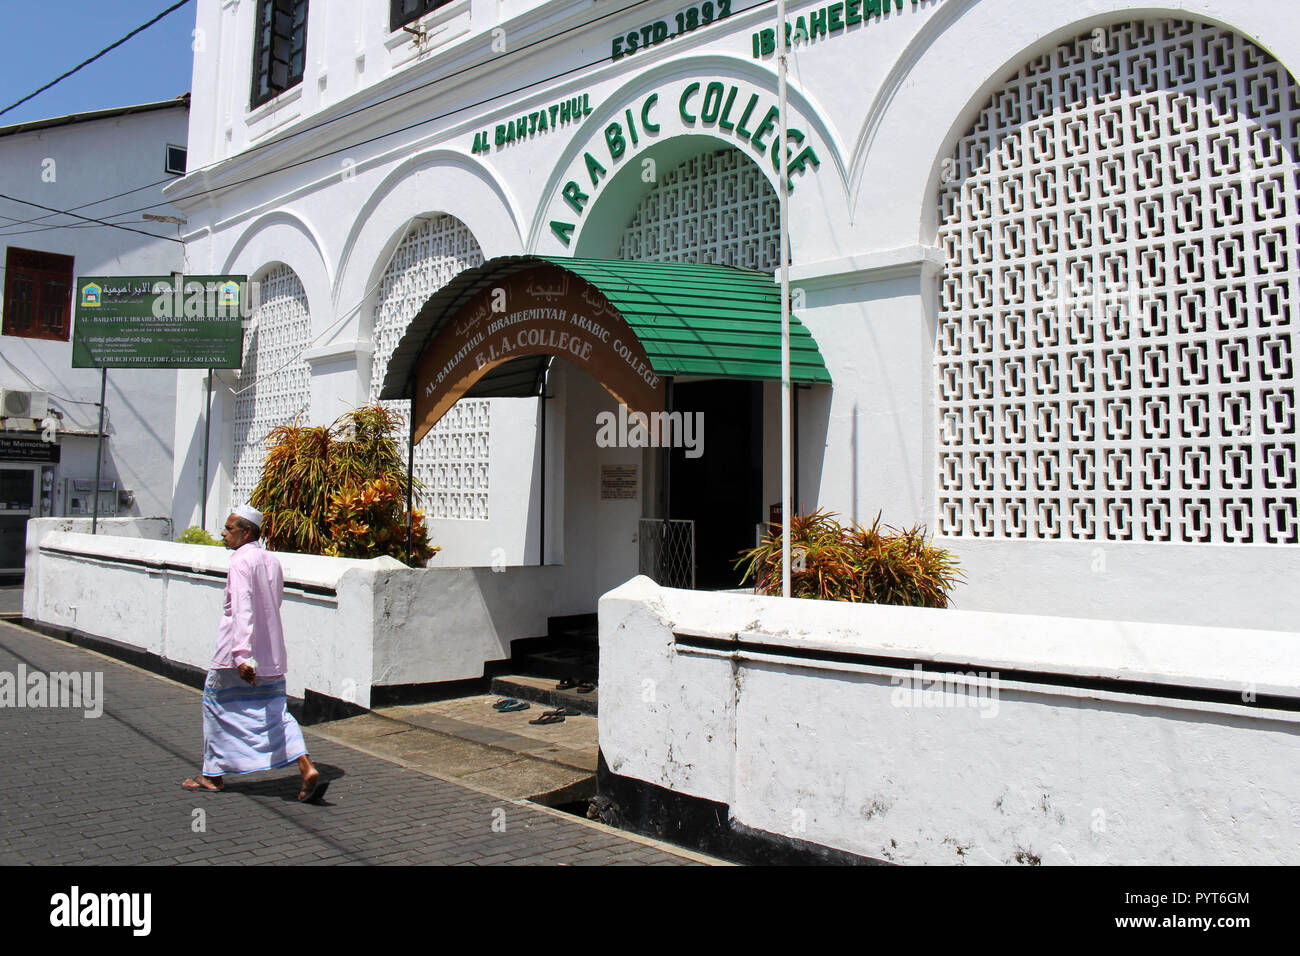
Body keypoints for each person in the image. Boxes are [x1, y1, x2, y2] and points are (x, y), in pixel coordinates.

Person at [181, 505, 329, 803]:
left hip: (237, 656)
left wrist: (242, 656)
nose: (223, 534)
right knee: (276, 714)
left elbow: (243, 609)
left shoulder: (240, 562)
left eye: (229, 528)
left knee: (215, 708)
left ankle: (212, 775)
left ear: (246, 532)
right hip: (271, 655)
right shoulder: (271, 561)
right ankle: (306, 767)